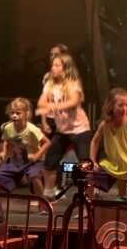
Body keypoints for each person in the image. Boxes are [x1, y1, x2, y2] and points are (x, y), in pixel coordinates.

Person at [36, 53, 92, 199]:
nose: (53, 68)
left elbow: (73, 102)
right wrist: (46, 106)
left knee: (85, 165)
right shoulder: (50, 84)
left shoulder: (73, 83)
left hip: (80, 130)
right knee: (49, 161)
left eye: (57, 65)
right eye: (52, 65)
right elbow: (41, 103)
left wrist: (51, 107)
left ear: (65, 68)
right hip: (62, 131)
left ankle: (88, 197)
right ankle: (48, 194)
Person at [0, 98, 50, 201]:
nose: (14, 115)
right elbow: (7, 141)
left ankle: (42, 202)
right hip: (16, 160)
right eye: (12, 113)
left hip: (33, 161)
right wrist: (4, 152)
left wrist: (36, 156)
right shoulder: (8, 128)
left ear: (26, 114)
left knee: (34, 176)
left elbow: (47, 142)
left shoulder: (32, 129)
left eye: (18, 113)